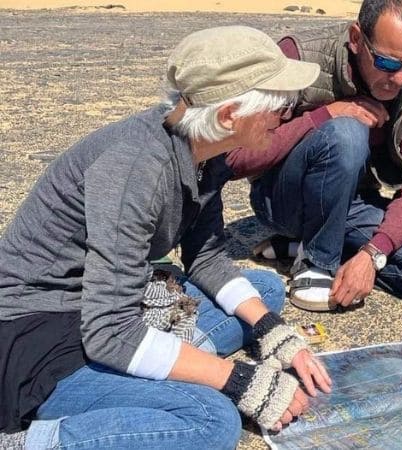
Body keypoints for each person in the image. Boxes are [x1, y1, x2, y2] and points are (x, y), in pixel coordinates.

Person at [0, 26, 332, 449]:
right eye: (281, 107)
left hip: (105, 306)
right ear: (229, 115)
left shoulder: (204, 152)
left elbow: (207, 256)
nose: (287, 116)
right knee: (211, 421)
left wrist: (272, 331)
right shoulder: (135, 169)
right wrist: (242, 381)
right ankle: (33, 441)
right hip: (40, 336)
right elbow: (109, 332)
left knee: (264, 293)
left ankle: (160, 357)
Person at [226, 0, 402, 312]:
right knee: (347, 131)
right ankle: (315, 264)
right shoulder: (295, 58)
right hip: (284, 201)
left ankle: (312, 247)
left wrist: (372, 255)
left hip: (352, 203)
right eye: (389, 64)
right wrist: (324, 115)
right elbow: (234, 159)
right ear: (356, 39)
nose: (401, 79)